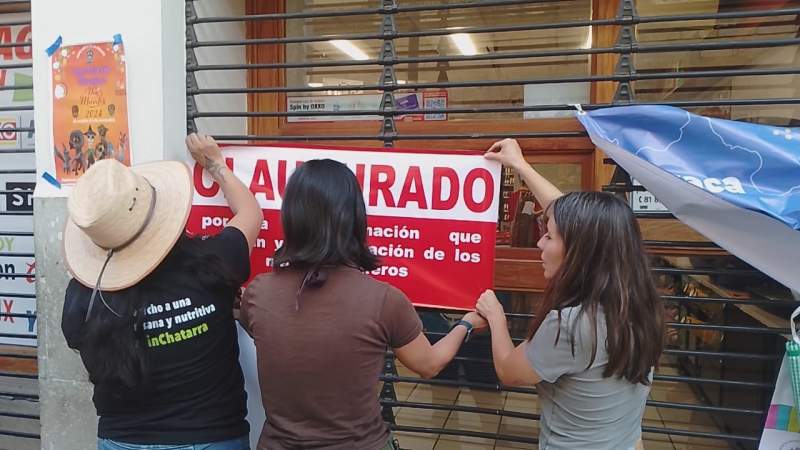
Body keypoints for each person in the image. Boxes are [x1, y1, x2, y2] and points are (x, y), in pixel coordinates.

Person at [240, 159, 488, 450]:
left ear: (291, 217)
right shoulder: (384, 300)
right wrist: (467, 324)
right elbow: (429, 364)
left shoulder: (258, 293)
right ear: (354, 218)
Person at [61, 133, 262, 450]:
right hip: (213, 438)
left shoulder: (83, 297)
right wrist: (216, 165)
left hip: (121, 441)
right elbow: (251, 214)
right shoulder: (213, 263)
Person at [475, 138, 665, 450]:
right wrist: (521, 165)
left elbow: (509, 371)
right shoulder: (638, 304)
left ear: (580, 251)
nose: (540, 244)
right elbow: (581, 226)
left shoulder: (572, 324)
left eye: (548, 236)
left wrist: (497, 318)